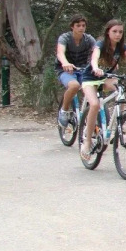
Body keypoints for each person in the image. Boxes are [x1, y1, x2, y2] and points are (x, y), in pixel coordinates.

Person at [54, 15, 99, 156]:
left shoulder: (88, 39)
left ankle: (90, 126)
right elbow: (60, 53)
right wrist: (65, 63)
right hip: (65, 69)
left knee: (93, 94)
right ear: (72, 26)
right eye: (78, 25)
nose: (81, 28)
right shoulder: (65, 38)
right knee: (73, 86)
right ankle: (65, 110)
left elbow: (97, 52)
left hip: (83, 70)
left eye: (83, 26)